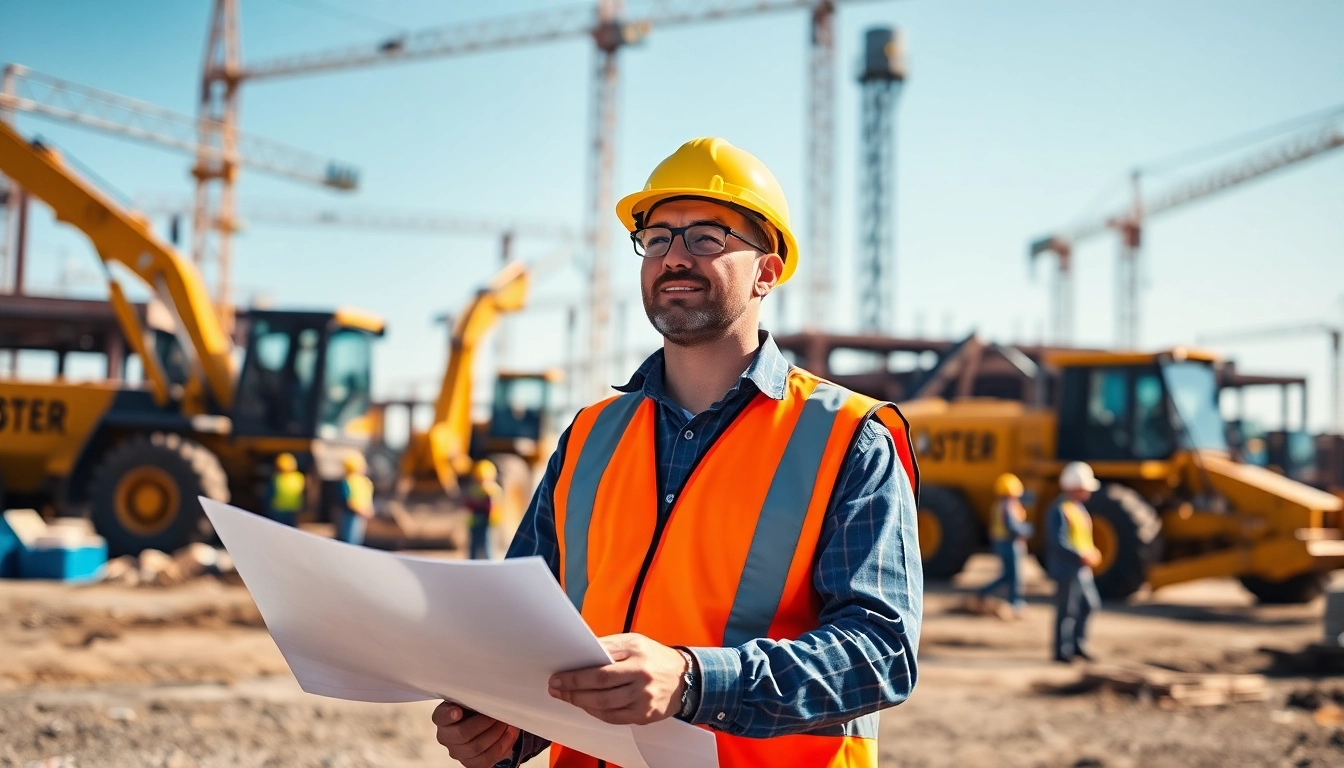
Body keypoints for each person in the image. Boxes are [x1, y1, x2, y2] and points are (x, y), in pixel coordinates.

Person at [431, 137, 923, 768]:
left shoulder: (849, 437)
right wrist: (506, 728)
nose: (674, 257)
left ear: (767, 271)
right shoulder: (587, 436)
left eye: (707, 238)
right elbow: (527, 632)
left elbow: (881, 652)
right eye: (657, 238)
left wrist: (693, 681)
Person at [1045, 461, 1103, 663]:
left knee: (1089, 605)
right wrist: (1080, 554)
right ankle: (1062, 651)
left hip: (1081, 568)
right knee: (1067, 609)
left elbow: (1082, 537)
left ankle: (1078, 644)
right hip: (1067, 568)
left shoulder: (1077, 509)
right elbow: (1057, 541)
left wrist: (1090, 552)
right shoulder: (1060, 510)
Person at [976, 472, 1033, 617]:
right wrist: (1027, 530)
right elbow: (1012, 526)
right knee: (1014, 576)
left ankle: (984, 593)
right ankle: (1015, 603)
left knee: (1008, 574)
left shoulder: (999, 505)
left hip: (1001, 543)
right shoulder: (1009, 505)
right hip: (1009, 543)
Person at [463, 459, 501, 560]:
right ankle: (472, 562)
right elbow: (468, 502)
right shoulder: (474, 489)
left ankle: (489, 562)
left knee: (487, 544)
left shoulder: (493, 489)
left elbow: (494, 504)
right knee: (474, 545)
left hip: (486, 522)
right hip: (475, 522)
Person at [337, 453, 374, 546]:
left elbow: (366, 496)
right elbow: (349, 500)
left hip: (358, 513)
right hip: (352, 514)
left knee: (354, 539)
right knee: (350, 539)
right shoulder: (354, 481)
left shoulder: (352, 481)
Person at [267, 453, 305, 527]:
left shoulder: (277, 478)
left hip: (280, 509)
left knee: (279, 528)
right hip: (292, 509)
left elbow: (270, 494)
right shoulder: (299, 477)